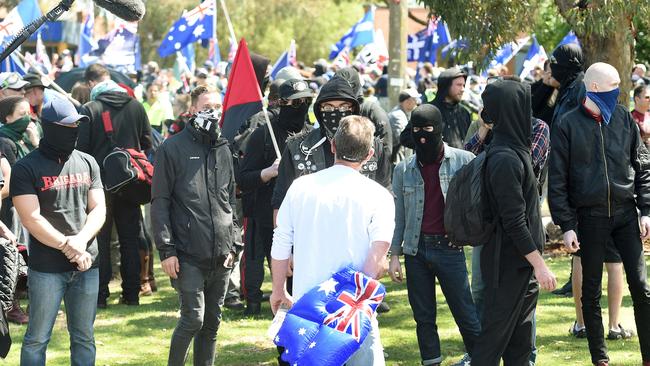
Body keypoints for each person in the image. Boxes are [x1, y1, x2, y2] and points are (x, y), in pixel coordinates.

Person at [271, 115, 395, 365]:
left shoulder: (300, 187)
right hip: (353, 308)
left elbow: (281, 240)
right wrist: (359, 304)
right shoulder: (379, 195)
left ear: (333, 145)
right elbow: (378, 255)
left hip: (307, 305)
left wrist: (277, 288)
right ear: (370, 154)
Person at [549, 62, 650, 366]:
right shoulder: (567, 124)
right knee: (590, 293)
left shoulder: (622, 118)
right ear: (593, 87)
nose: (619, 91)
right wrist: (567, 225)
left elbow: (643, 166)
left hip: (626, 215)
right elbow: (557, 182)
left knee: (642, 289)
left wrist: (646, 210)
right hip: (589, 219)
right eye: (613, 85)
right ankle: (600, 359)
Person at [12, 97, 106, 365]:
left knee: (84, 337)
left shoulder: (88, 161)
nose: (74, 130)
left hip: (87, 265)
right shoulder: (25, 167)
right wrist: (69, 246)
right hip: (46, 268)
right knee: (37, 339)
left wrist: (81, 240)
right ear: (50, 127)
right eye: (67, 125)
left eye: (77, 124)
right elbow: (31, 218)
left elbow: (98, 208)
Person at [470, 79, 557, 365]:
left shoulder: (515, 148)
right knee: (491, 346)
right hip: (507, 265)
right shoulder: (505, 158)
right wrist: (539, 265)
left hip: (522, 266)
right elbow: (514, 221)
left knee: (519, 346)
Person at [389, 104, 480, 366]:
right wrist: (395, 255)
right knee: (423, 317)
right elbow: (400, 216)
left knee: (465, 312)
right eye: (416, 130)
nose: (422, 136)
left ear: (439, 129)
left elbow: (476, 207)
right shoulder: (403, 169)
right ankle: (431, 362)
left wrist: (464, 236)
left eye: (428, 129)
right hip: (415, 251)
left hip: (449, 249)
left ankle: (481, 359)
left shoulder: (464, 161)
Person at [151, 105, 238, 366]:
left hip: (222, 252)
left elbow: (230, 198)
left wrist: (234, 243)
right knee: (193, 319)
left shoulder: (223, 147)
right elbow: (160, 201)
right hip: (187, 251)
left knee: (211, 323)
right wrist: (166, 250)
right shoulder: (172, 148)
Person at [78, 63, 152, 308]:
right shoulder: (136, 106)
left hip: (98, 184)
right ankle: (131, 294)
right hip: (131, 182)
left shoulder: (90, 108)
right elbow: (146, 143)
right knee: (130, 238)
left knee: (99, 240)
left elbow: (81, 151)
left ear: (92, 85)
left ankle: (100, 296)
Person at [238, 78, 311, 316]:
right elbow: (243, 179)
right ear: (281, 103)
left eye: (305, 101)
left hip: (308, 219)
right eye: (294, 102)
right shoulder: (262, 136)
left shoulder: (313, 136)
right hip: (273, 221)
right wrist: (268, 172)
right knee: (284, 279)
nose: (300, 106)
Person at [401, 67, 471, 149]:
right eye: (459, 85)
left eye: (464, 85)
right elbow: (405, 137)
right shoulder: (426, 111)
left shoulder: (464, 112)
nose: (462, 89)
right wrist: (433, 146)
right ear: (446, 86)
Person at [388, 89, 419, 164]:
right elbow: (402, 138)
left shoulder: (403, 112)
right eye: (414, 99)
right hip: (395, 155)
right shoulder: (398, 116)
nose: (416, 102)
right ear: (407, 101)